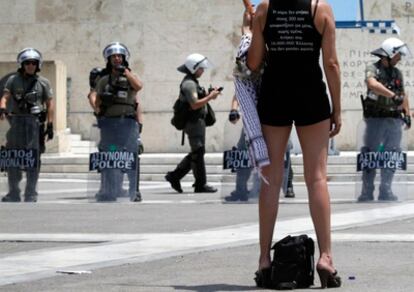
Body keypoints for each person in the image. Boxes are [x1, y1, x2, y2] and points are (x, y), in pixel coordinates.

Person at [247, 0, 341, 288]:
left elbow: (253, 63)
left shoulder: (264, 9)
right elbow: (331, 63)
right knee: (317, 178)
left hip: (275, 95)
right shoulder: (320, 9)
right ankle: (326, 257)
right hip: (311, 94)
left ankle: (264, 259)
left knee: (271, 180)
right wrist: (337, 108)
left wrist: (250, 28)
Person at [358, 38, 411, 202]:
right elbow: (372, 84)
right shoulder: (373, 69)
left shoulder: (397, 73)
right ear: (388, 54)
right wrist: (391, 95)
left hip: (393, 121)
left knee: (392, 155)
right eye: (397, 55)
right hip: (375, 119)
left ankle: (385, 189)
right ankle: (367, 191)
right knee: (370, 156)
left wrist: (407, 114)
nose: (399, 58)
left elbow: (403, 94)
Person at [90, 42, 143, 202]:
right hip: (110, 126)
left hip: (127, 125)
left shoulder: (130, 77)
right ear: (109, 59)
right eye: (114, 57)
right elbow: (97, 102)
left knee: (131, 157)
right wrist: (101, 113)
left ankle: (135, 191)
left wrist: (126, 73)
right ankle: (109, 190)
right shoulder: (103, 80)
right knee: (110, 155)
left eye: (120, 56)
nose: (117, 59)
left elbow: (139, 87)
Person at [0, 48, 54, 202]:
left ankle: (31, 192)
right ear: (22, 64)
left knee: (33, 159)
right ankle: (13, 192)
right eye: (27, 63)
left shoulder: (43, 82)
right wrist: (2, 107)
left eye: (33, 63)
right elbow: (5, 96)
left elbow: (50, 104)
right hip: (17, 123)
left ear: (38, 65)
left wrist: (50, 125)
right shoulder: (13, 80)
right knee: (13, 158)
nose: (30, 66)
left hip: (34, 125)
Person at [165, 53, 221, 193]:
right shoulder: (189, 83)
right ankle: (198, 184)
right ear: (193, 68)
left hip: (198, 123)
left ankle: (176, 176)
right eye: (201, 68)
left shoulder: (193, 82)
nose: (203, 71)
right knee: (198, 151)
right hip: (193, 122)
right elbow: (195, 104)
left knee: (198, 152)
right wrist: (210, 97)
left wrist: (208, 94)